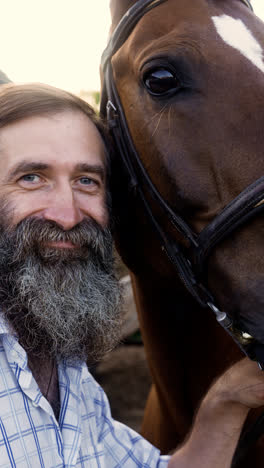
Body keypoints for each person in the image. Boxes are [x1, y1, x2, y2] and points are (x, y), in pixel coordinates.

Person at [0, 82, 263, 468]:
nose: (68, 215)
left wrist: (227, 399)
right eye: (32, 178)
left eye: (86, 181)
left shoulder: (65, 365)